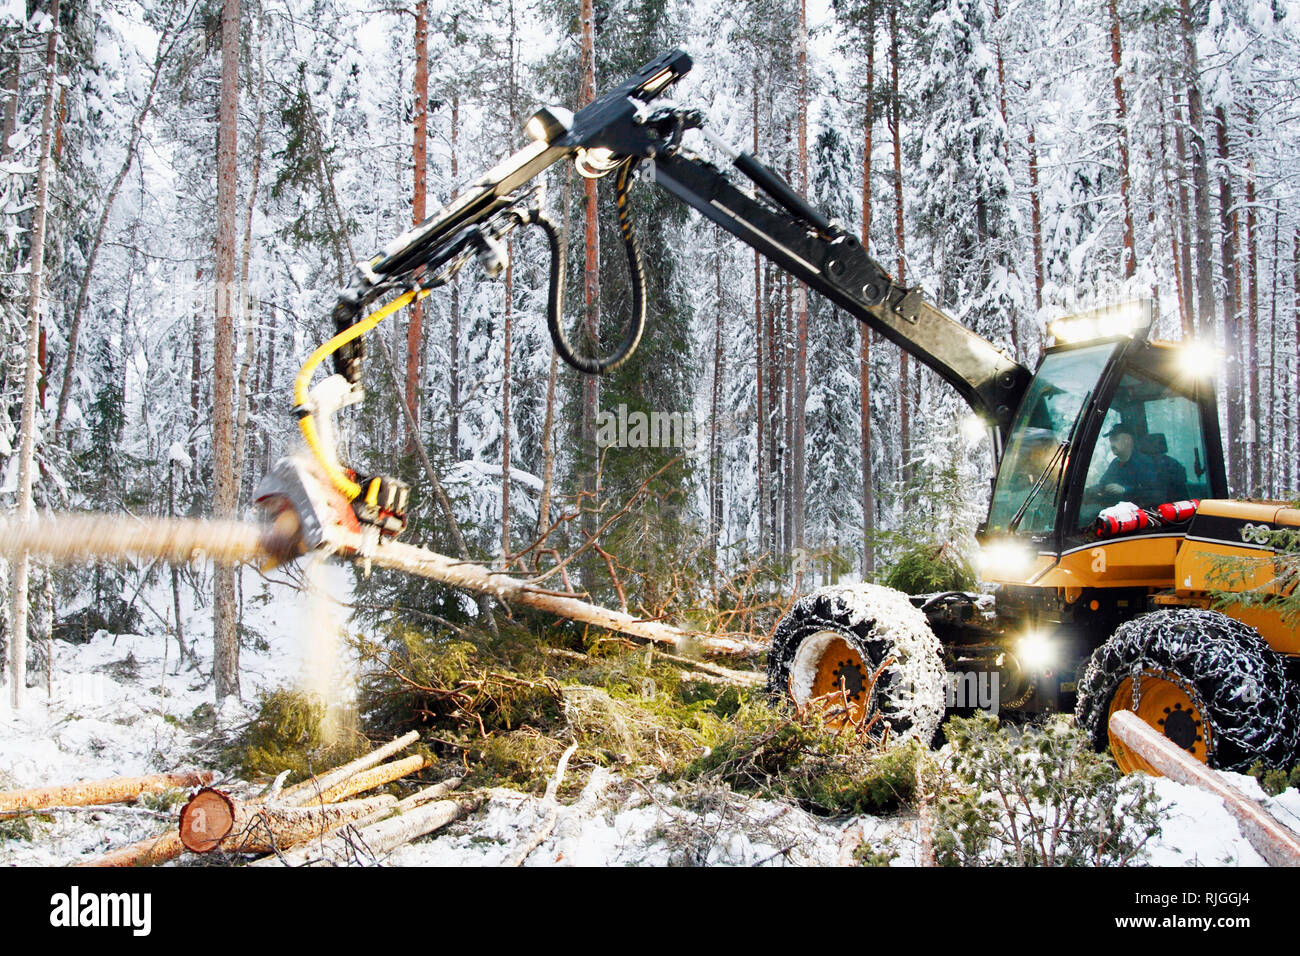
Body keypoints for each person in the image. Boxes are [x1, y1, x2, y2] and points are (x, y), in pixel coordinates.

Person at [1096, 423, 1159, 506]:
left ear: (1128, 440)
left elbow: (1150, 491)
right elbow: (1103, 484)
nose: (1112, 445)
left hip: (1138, 512)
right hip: (1115, 508)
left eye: (1115, 440)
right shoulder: (1115, 463)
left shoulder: (1144, 462)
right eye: (1111, 441)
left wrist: (1124, 489)